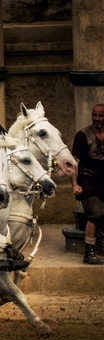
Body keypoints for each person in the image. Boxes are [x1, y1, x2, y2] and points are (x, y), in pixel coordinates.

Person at [71, 103, 104, 264]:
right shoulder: (83, 135)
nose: (97, 119)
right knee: (96, 212)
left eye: (101, 116)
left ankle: (100, 237)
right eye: (95, 115)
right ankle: (89, 252)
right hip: (87, 180)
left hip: (103, 179)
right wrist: (75, 184)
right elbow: (74, 163)